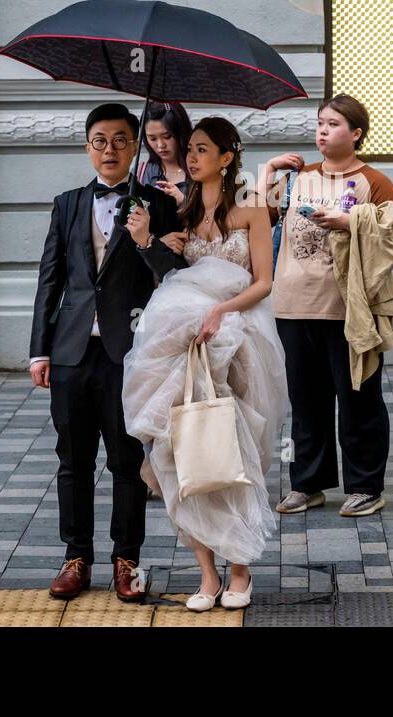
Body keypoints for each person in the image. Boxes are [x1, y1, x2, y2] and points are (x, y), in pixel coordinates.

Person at [122, 117, 287, 612]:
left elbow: (263, 281)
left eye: (201, 149)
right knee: (177, 449)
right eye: (188, 148)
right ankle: (208, 575)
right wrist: (149, 239)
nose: (190, 156)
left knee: (235, 453)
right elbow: (170, 279)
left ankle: (241, 570)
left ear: (226, 156)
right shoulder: (183, 209)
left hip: (241, 337)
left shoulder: (253, 208)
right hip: (186, 340)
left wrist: (221, 310)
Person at [29, 102, 187, 603]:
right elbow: (50, 279)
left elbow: (175, 274)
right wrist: (40, 350)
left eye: (121, 140)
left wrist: (145, 239)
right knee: (72, 460)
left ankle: (127, 560)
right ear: (87, 147)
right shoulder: (67, 202)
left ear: (135, 145)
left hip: (130, 351)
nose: (110, 150)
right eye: (100, 140)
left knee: (125, 460)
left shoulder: (157, 204)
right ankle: (76, 557)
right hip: (72, 351)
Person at [259, 95, 393, 519]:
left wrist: (351, 222)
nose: (323, 131)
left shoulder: (374, 181)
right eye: (320, 123)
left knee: (359, 398)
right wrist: (268, 171)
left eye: (333, 124)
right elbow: (253, 216)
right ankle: (307, 484)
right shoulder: (296, 177)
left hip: (348, 309)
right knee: (306, 401)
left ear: (356, 133)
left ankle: (365, 486)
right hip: (293, 305)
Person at [137, 100, 193, 205]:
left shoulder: (200, 171)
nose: (160, 145)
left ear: (181, 133)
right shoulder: (141, 173)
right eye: (152, 138)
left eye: (167, 137)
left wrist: (183, 201)